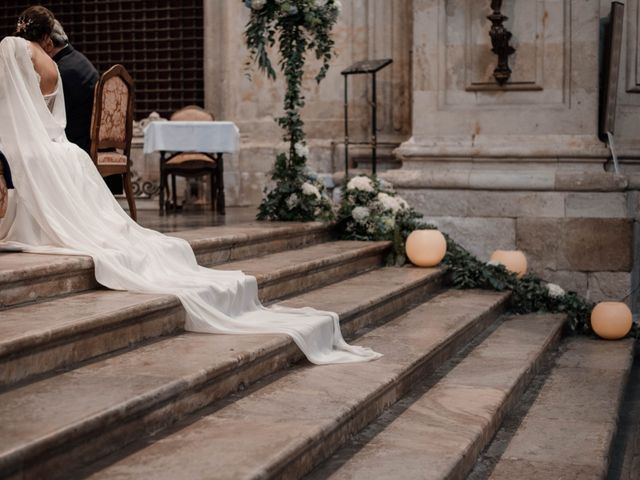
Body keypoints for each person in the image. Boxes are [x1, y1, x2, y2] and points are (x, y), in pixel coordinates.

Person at [0, 6, 381, 365]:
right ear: (49, 35)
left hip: (45, 143)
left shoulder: (17, 52)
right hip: (68, 146)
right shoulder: (66, 64)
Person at [43, 19, 123, 194]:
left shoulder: (63, 70)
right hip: (90, 139)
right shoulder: (76, 59)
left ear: (48, 44)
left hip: (80, 143)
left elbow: (50, 119)